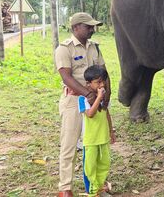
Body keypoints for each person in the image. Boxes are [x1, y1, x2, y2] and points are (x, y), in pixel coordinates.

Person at [54, 12, 110, 197]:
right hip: (74, 100)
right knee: (69, 145)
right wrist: (88, 93)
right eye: (88, 27)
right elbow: (66, 76)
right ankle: (65, 188)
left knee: (96, 145)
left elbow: (104, 72)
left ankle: (95, 185)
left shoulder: (95, 47)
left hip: (96, 102)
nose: (92, 30)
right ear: (76, 27)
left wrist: (106, 96)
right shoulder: (64, 49)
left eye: (93, 26)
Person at [79, 65, 116, 197]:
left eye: (103, 81)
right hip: (90, 139)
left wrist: (111, 131)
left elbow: (106, 114)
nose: (102, 85)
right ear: (88, 84)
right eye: (98, 82)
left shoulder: (104, 98)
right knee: (90, 166)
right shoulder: (83, 98)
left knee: (104, 163)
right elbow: (90, 114)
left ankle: (99, 188)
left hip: (103, 137)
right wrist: (99, 98)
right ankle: (93, 191)